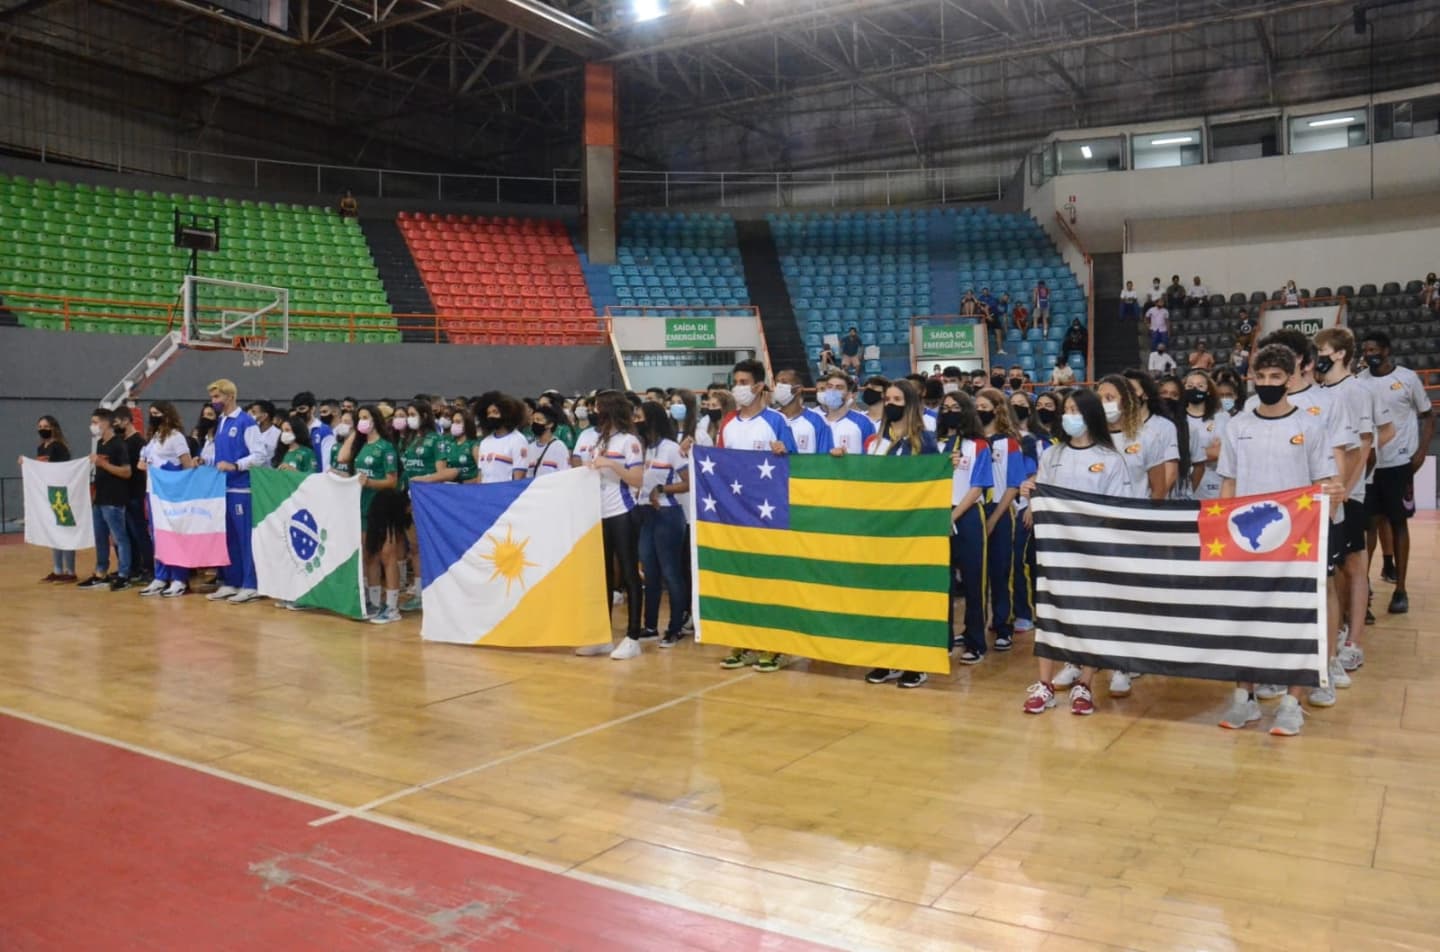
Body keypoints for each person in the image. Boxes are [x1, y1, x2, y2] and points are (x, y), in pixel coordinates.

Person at [1216, 344, 1341, 737]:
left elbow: (1324, 482)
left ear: (1290, 379)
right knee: (1245, 619)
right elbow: (1229, 482)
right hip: (1247, 538)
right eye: (1261, 376)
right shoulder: (1237, 425)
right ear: (1252, 377)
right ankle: (1244, 699)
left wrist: (1331, 497)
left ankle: (1292, 702)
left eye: (1276, 377)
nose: (1268, 383)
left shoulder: (1309, 425)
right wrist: (1223, 528)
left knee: (1298, 619)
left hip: (1297, 539)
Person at [1021, 388, 1135, 716]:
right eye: (1066, 409)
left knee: (1090, 616)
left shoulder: (1110, 459)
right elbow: (1041, 498)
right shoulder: (1052, 455)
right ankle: (1044, 684)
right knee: (1050, 615)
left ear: (1091, 416)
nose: (1070, 416)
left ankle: (1085, 681)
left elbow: (1117, 508)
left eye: (1076, 410)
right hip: (1055, 551)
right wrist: (1031, 490)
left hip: (1092, 552)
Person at [1317, 326, 1392, 680]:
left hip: (1351, 492)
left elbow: (1365, 442)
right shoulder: (1318, 392)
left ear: (1340, 353)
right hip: (1324, 492)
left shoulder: (1357, 390)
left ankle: (1355, 642)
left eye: (1324, 349)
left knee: (1354, 565)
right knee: (1334, 568)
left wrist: (1346, 486)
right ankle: (1341, 628)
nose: (1318, 355)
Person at [716, 359, 798, 674]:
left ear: (760, 386)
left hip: (770, 513)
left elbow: (797, 464)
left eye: (745, 381)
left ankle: (775, 644)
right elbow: (720, 464)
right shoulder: (727, 423)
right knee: (742, 578)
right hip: (737, 514)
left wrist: (784, 452)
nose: (739, 387)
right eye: (735, 380)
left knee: (771, 580)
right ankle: (745, 639)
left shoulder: (776, 421)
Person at [863, 379, 939, 689]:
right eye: (887, 398)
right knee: (882, 598)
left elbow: (932, 485)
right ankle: (886, 657)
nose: (890, 403)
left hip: (912, 532)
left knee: (911, 598)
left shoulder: (925, 441)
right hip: (881, 531)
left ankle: (915, 661)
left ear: (909, 403)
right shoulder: (875, 441)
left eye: (897, 398)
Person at [1360, 330, 1434, 616]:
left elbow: (1428, 417)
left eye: (1374, 349)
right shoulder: (1359, 382)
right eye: (1365, 350)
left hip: (1399, 464)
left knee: (1399, 524)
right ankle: (1362, 589)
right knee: (1369, 526)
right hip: (1369, 466)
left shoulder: (1407, 378)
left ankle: (1400, 589)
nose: (1369, 354)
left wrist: (1420, 453)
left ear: (1387, 351)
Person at [575, 391, 647, 662]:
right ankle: (602, 635)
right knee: (602, 574)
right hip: (599, 511)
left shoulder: (630, 441)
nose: (593, 411)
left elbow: (637, 480)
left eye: (597, 407)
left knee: (629, 573)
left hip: (623, 511)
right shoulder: (596, 440)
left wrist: (612, 465)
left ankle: (633, 636)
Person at [937, 391, 992, 664]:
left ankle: (975, 641)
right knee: (940, 582)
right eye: (945, 407)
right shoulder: (932, 443)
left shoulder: (978, 444)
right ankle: (942, 639)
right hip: (936, 516)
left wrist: (954, 516)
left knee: (973, 581)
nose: (950, 411)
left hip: (967, 514)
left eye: (956, 407)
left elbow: (978, 486)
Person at [338, 406, 404, 624]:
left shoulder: (386, 448)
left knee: (387, 554)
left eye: (365, 418)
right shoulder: (361, 446)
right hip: (362, 505)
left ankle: (393, 607)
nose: (361, 421)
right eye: (359, 418)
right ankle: (374, 602)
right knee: (370, 555)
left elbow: (391, 480)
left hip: (383, 505)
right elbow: (344, 458)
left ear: (376, 420)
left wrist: (370, 482)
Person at [634, 401, 691, 648]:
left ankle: (675, 627)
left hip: (668, 515)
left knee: (671, 572)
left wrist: (662, 488)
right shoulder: (641, 448)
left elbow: (688, 482)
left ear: (652, 419)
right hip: (646, 514)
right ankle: (650, 626)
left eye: (639, 416)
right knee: (650, 573)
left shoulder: (670, 449)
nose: (636, 420)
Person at [205, 379, 267, 604]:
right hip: (223, 489)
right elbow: (223, 455)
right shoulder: (221, 421)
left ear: (229, 397)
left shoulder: (246, 422)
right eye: (213, 398)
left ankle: (251, 584)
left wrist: (236, 465)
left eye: (217, 397)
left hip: (243, 489)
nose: (214, 402)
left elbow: (260, 455)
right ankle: (232, 581)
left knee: (245, 539)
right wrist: (204, 459)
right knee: (228, 538)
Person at [136, 402, 196, 598]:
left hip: (171, 495)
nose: (153, 416)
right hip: (152, 492)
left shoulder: (176, 437)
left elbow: (187, 465)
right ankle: (161, 576)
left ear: (167, 415)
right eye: (151, 413)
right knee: (157, 535)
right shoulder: (152, 438)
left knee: (174, 535)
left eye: (157, 413)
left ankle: (179, 578)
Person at [78, 408, 134, 592]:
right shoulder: (100, 443)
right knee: (100, 538)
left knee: (119, 538)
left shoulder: (118, 445)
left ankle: (125, 574)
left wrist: (103, 464)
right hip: (100, 499)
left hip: (114, 499)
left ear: (106, 423)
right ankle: (100, 572)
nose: (93, 426)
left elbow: (126, 472)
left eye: (96, 422)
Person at [31, 415, 76, 582]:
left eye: (46, 426)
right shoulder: (41, 447)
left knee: (65, 529)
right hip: (48, 492)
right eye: (40, 426)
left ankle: (70, 570)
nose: (43, 429)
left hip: (61, 492)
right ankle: (57, 569)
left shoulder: (59, 447)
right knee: (53, 531)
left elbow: (64, 469)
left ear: (53, 428)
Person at [1182, 370, 1226, 500]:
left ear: (1208, 391)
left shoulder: (1221, 417)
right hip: (1184, 487)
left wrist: (1186, 453)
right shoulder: (1176, 419)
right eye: (1190, 386)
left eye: (1200, 386)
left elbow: (1220, 452)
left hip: (1213, 486)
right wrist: (1206, 451)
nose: (1195, 389)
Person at [772, 369, 834, 454]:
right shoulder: (770, 419)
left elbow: (824, 459)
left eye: (784, 383)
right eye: (777, 383)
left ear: (798, 389)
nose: (779, 387)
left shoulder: (817, 420)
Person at [817, 370, 875, 455]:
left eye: (839, 387)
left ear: (848, 395)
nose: (833, 390)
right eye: (829, 386)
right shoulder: (816, 422)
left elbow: (872, 455)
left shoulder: (863, 422)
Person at [476, 395, 530, 483]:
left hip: (506, 494)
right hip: (486, 494)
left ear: (506, 414)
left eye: (495, 412)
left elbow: (519, 477)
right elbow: (480, 475)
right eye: (488, 413)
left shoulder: (518, 440)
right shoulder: (484, 442)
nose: (491, 416)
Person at [529, 405, 571, 477]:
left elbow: (565, 473)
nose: (534, 423)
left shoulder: (559, 447)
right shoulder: (530, 447)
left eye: (538, 420)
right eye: (533, 420)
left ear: (550, 424)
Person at [443, 407, 480, 483]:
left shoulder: (474, 445)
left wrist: (463, 484)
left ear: (467, 424)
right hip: (450, 487)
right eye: (453, 422)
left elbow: (482, 473)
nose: (454, 425)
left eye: (458, 422)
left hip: (469, 487)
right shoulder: (448, 443)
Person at [247, 400, 280, 466]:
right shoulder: (249, 430)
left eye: (254, 412)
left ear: (265, 416)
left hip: (266, 472)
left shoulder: (278, 434)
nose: (250, 415)